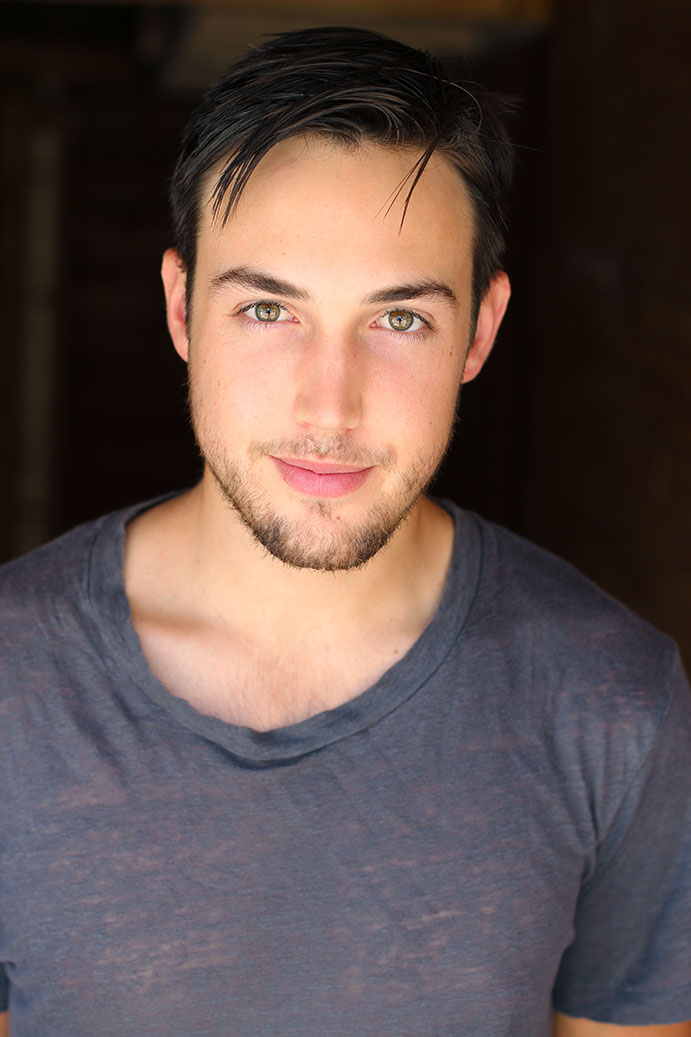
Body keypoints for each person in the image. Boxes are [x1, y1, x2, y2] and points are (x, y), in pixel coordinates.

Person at [0, 25, 689, 1037]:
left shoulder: (612, 704)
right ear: (182, 309)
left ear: (479, 330)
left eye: (398, 319)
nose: (330, 405)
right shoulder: (13, 681)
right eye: (268, 310)